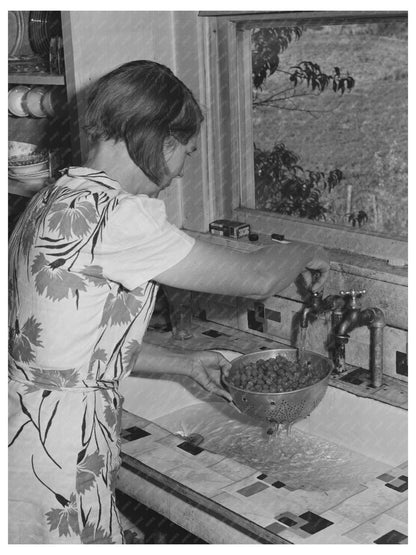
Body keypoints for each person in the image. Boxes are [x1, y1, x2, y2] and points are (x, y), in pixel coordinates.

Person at [8, 60, 329, 544]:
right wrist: (312, 249)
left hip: (25, 426)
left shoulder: (56, 195)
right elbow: (259, 277)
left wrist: (181, 362)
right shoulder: (117, 214)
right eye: (187, 152)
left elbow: (71, 346)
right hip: (60, 444)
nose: (180, 171)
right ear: (161, 140)